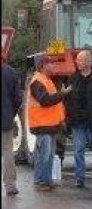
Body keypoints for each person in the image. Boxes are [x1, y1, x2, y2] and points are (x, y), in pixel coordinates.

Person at [64, 50, 92, 189]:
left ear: (88, 62)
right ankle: (80, 178)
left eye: (80, 60)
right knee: (78, 150)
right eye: (77, 60)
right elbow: (67, 98)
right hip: (78, 121)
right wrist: (71, 114)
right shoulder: (72, 78)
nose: (77, 62)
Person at [27, 55, 71, 191]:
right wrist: (62, 93)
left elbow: (53, 104)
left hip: (50, 124)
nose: (53, 66)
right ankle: (40, 181)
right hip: (42, 125)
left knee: (49, 155)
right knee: (44, 155)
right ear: (42, 66)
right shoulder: (37, 81)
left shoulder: (46, 80)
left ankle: (46, 180)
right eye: (50, 64)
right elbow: (45, 101)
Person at [2, 59, 23, 196]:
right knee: (7, 151)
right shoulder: (10, 72)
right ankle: (10, 185)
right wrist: (11, 113)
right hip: (5, 119)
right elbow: (18, 98)